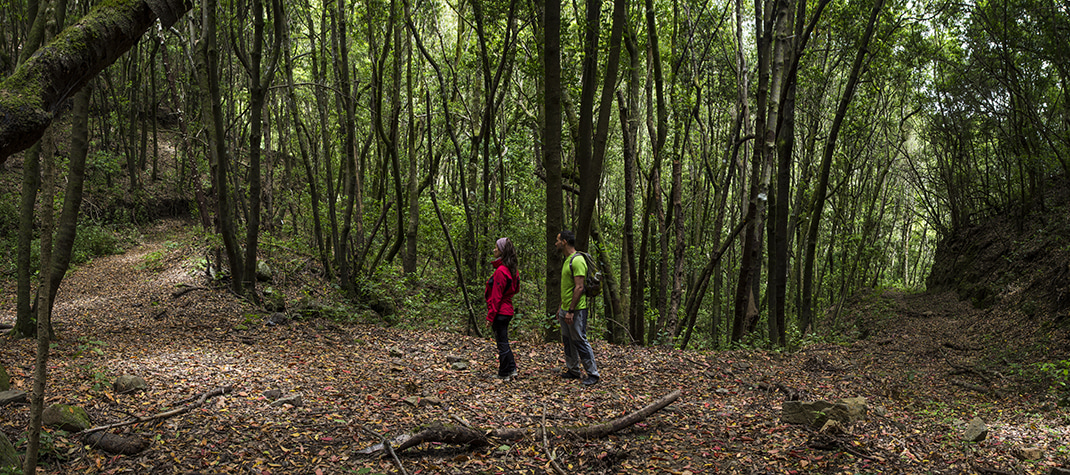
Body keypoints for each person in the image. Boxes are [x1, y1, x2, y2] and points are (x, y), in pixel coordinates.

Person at [555, 230, 600, 386]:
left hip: (576, 309)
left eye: (558, 240)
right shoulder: (567, 260)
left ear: (565, 242)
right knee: (567, 340)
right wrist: (562, 307)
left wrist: (571, 310)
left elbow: (579, 288)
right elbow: (567, 287)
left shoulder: (578, 260)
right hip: (566, 308)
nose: (556, 243)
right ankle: (573, 370)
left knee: (579, 339)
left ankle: (593, 374)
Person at [485, 237, 520, 380]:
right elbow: (516, 289)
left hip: (501, 311)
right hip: (507, 310)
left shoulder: (501, 271)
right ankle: (508, 370)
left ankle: (506, 372)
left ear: (502, 251)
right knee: (503, 341)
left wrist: (490, 317)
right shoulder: (513, 270)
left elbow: (496, 296)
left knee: (502, 342)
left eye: (496, 248)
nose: (494, 250)